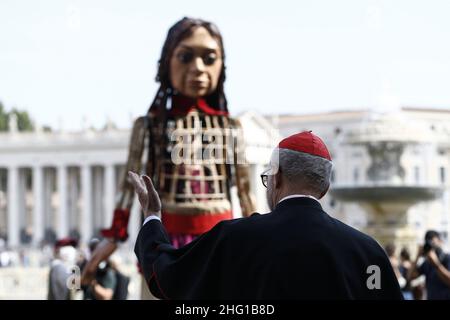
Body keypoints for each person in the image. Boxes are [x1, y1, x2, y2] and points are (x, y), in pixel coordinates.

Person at [81, 17, 255, 288]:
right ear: (167, 63)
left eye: (209, 58)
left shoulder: (231, 127)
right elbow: (129, 188)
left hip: (219, 238)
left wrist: (260, 237)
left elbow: (246, 194)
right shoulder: (149, 125)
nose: (198, 68)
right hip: (166, 239)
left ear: (222, 65)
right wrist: (114, 237)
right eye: (185, 57)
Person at [132, 131, 403, 299]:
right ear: (325, 187)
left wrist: (153, 216)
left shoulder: (234, 238)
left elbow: (167, 277)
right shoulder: (368, 253)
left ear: (277, 178)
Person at [408, 230, 450, 299]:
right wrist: (417, 256)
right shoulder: (427, 263)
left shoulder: (447, 258)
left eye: (433, 243)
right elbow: (410, 276)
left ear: (440, 241)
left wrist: (437, 265)